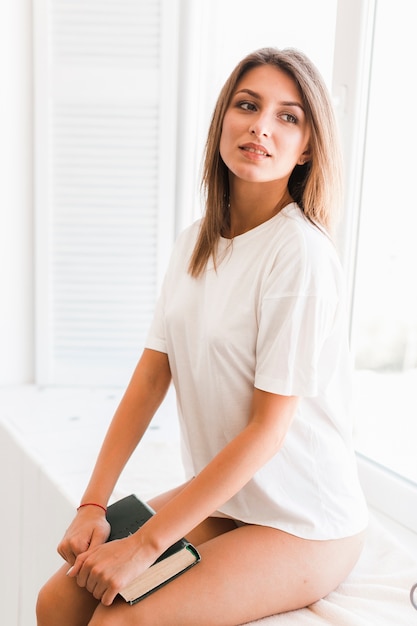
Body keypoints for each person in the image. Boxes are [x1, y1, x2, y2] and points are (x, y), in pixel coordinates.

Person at [36, 47, 368, 626]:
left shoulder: (301, 254)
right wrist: (93, 503)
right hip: (232, 502)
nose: (261, 126)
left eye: (288, 117)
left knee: (123, 621)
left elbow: (268, 431)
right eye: (247, 105)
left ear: (309, 147)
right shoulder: (195, 242)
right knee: (57, 600)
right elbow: (149, 379)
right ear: (223, 120)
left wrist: (142, 546)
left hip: (304, 521)